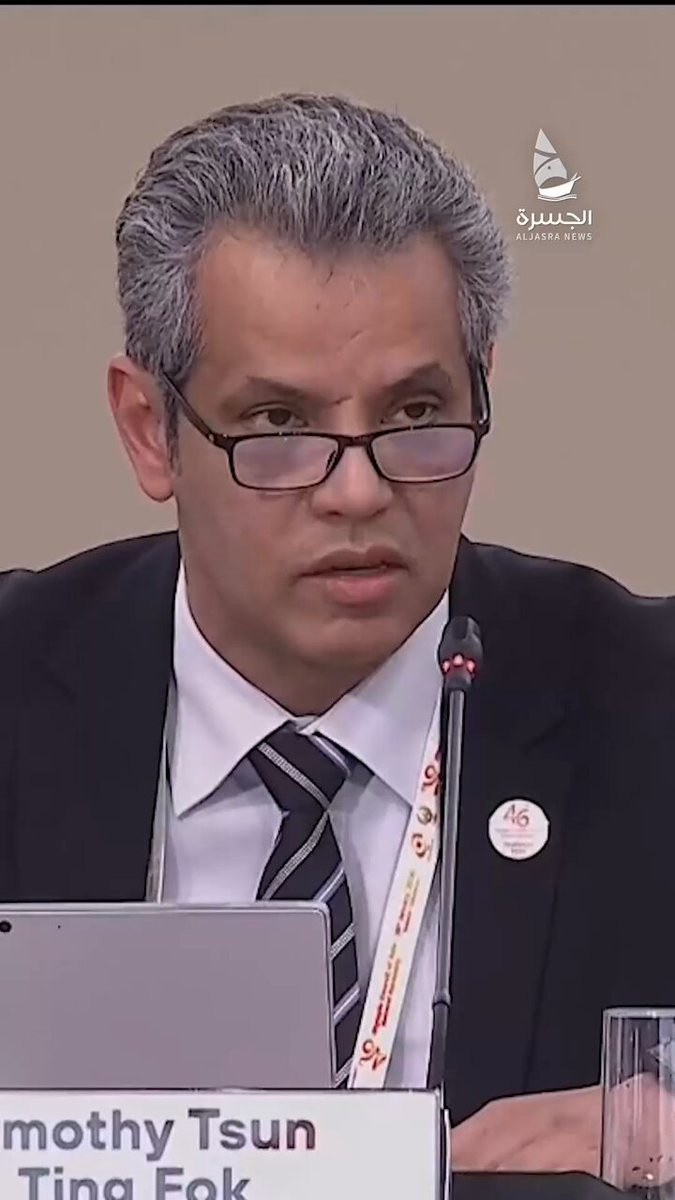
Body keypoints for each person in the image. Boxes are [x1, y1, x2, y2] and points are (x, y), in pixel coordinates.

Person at [0, 92, 673, 1174]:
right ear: (149, 430)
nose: (358, 492)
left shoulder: (647, 706)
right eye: (279, 426)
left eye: (415, 416)